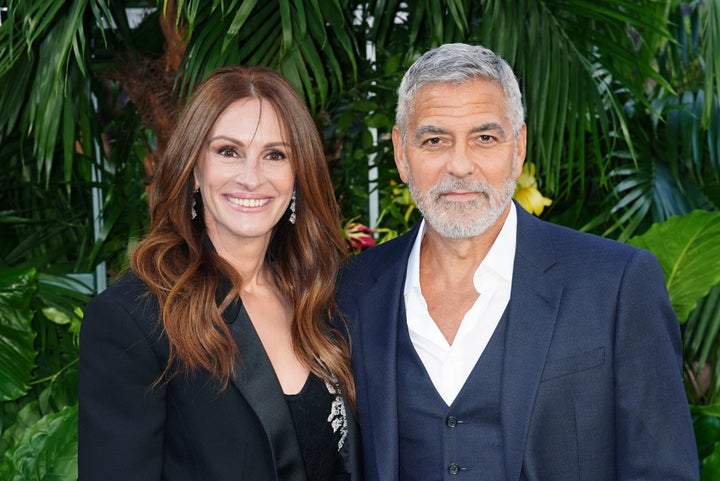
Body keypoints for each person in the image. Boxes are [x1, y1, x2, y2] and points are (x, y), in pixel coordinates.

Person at [338, 43, 698, 481]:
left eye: (484, 138)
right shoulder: (352, 291)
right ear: (401, 153)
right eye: (434, 140)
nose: (460, 165)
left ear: (519, 145)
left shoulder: (615, 284)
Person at [79, 65, 361, 481]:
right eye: (228, 151)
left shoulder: (321, 297)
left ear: (298, 176)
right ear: (194, 169)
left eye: (275, 154)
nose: (251, 178)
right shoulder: (133, 319)